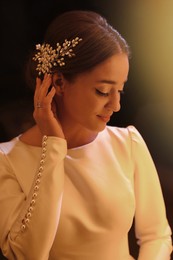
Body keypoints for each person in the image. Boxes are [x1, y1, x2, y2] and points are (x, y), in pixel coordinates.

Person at [0, 10, 172, 260]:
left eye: (120, 91)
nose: (116, 106)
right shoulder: (7, 161)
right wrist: (54, 148)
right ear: (58, 83)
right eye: (103, 91)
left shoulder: (127, 143)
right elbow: (29, 253)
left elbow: (156, 236)